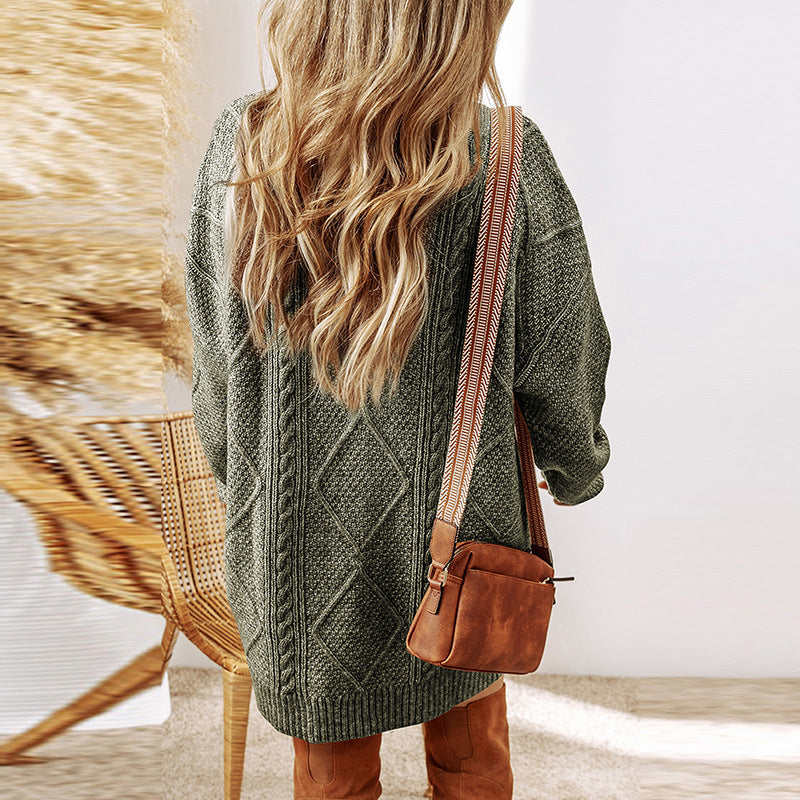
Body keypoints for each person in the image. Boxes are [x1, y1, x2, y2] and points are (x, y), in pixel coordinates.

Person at [184, 1, 611, 797]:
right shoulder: (506, 155)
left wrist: (245, 486)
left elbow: (215, 363)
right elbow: (563, 350)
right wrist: (577, 465)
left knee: (332, 781)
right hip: (463, 549)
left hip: (295, 555)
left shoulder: (244, 145)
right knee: (473, 758)